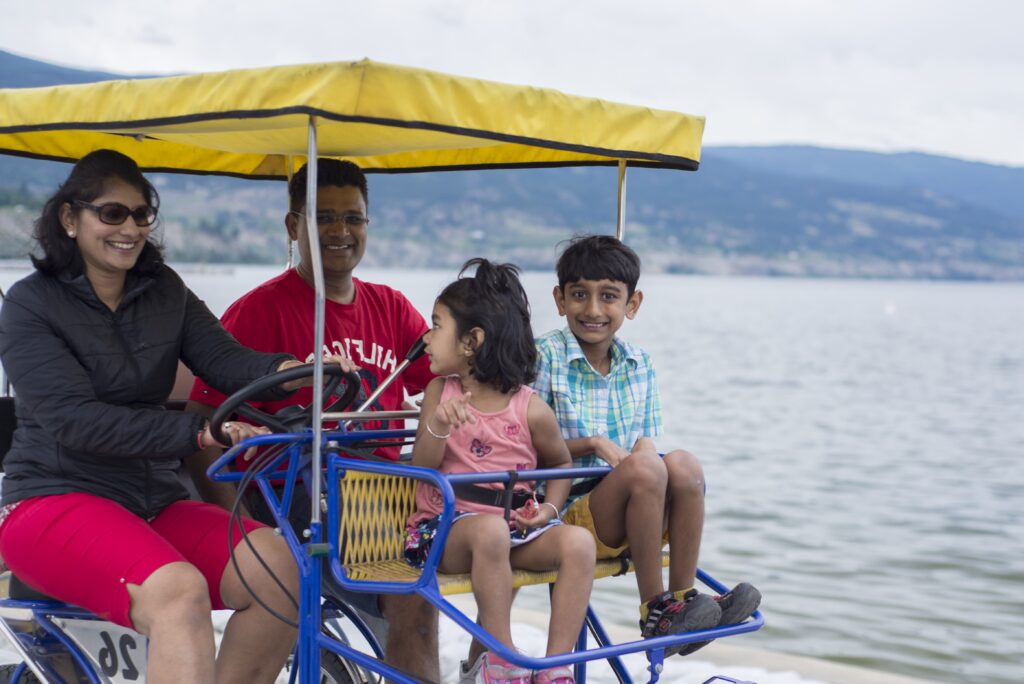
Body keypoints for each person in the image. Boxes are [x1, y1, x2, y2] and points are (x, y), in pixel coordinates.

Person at [0, 149, 333, 683]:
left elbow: (225, 360)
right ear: (70, 218)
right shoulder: (29, 305)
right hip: (52, 498)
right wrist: (199, 431)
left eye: (141, 214)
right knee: (179, 592)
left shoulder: (166, 291)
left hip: (153, 500)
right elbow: (75, 421)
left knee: (284, 570)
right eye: (112, 213)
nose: (129, 227)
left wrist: (292, 369)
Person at [185, 158, 440, 680]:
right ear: (292, 225)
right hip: (297, 499)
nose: (340, 232)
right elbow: (203, 426)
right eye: (323, 217)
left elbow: (445, 378)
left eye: (354, 218)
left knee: (474, 536)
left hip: (392, 492)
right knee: (416, 581)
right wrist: (247, 528)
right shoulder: (258, 312)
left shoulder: (391, 308)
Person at [532, 235, 761, 657]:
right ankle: (655, 610)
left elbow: (645, 442)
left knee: (684, 464)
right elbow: (525, 443)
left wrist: (641, 464)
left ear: (632, 305)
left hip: (630, 504)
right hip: (566, 511)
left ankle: (685, 596)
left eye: (609, 297)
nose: (594, 310)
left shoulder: (640, 362)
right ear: (560, 300)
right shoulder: (544, 355)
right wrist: (595, 444)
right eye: (579, 295)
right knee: (644, 468)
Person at [406, 258, 595, 684]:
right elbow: (421, 469)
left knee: (579, 544)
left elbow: (560, 463)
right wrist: (438, 425)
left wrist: (548, 511)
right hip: (442, 533)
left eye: (437, 325)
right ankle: (501, 656)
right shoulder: (441, 391)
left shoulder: (529, 407)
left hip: (510, 532)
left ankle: (555, 667)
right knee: (489, 531)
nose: (427, 336)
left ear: (471, 341)